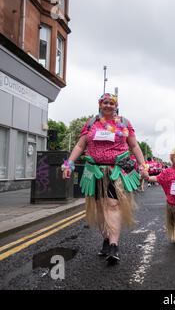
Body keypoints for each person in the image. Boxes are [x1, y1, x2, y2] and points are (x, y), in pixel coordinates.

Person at [62, 93, 149, 265]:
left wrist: (143, 165)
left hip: (116, 170)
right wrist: (68, 164)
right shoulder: (91, 123)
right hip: (95, 171)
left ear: (116, 105)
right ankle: (107, 239)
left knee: (113, 205)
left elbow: (134, 145)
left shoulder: (124, 123)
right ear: (100, 105)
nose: (108, 105)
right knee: (100, 208)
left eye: (111, 103)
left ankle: (114, 245)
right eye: (105, 102)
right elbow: (81, 145)